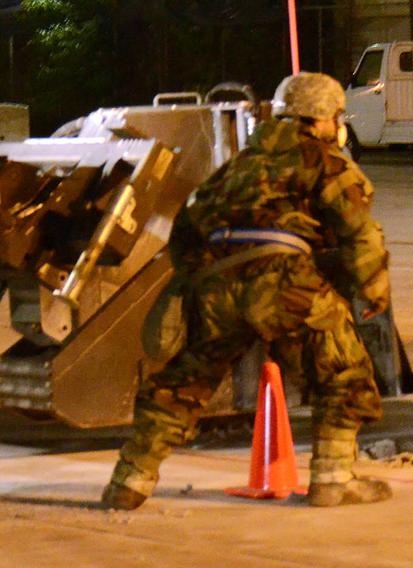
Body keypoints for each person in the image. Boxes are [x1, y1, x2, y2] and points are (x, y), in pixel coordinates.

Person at [101, 72, 393, 510]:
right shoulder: (323, 159)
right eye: (336, 116)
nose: (338, 125)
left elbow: (186, 228)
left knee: (185, 382)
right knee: (345, 373)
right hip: (284, 281)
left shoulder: (238, 165)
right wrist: (373, 289)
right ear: (319, 119)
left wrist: (200, 283)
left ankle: (130, 481)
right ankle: (334, 480)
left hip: (219, 284)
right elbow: (357, 230)